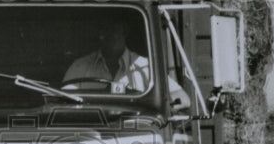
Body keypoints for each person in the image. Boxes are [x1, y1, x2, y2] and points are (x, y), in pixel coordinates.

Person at [63, 20, 191, 110]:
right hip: (91, 137)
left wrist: (161, 107)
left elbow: (182, 99)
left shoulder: (144, 67)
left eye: (112, 30)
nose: (105, 36)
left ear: (125, 32)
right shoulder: (80, 67)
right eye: (102, 31)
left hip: (135, 137)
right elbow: (64, 102)